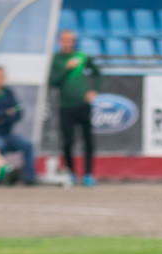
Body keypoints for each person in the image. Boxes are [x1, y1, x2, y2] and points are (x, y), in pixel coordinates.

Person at [49, 29, 100, 186]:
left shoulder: (82, 57)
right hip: (66, 106)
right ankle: (70, 172)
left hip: (83, 105)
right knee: (68, 141)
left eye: (70, 40)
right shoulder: (56, 60)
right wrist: (66, 68)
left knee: (88, 141)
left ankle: (88, 174)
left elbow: (97, 73)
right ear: (60, 41)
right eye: (64, 40)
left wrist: (94, 90)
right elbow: (53, 81)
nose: (67, 43)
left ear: (74, 41)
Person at [0, 66, 34, 185]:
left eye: (0, 76)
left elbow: (18, 112)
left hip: (8, 133)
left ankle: (30, 178)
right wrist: (5, 113)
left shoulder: (9, 93)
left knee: (28, 144)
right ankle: (2, 177)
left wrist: (1, 116)